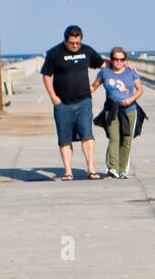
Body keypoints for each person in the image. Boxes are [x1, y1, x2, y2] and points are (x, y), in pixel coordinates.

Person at [40, 25, 104, 180]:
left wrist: (95, 85)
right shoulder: (54, 53)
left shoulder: (87, 51)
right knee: (65, 138)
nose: (75, 46)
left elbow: (104, 66)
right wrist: (53, 97)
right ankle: (68, 171)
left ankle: (91, 169)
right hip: (62, 103)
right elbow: (46, 75)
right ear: (65, 40)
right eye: (72, 43)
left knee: (87, 134)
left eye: (78, 42)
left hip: (84, 101)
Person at [91, 47, 143, 179]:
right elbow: (93, 86)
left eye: (122, 59)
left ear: (125, 60)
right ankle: (112, 168)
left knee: (126, 140)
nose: (118, 62)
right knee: (114, 138)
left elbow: (139, 90)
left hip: (130, 110)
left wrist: (130, 99)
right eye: (115, 59)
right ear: (111, 59)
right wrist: (78, 95)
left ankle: (122, 169)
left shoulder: (131, 72)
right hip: (111, 110)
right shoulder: (105, 73)